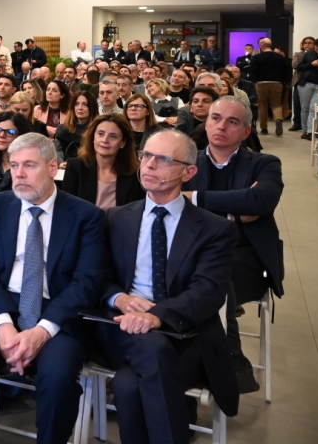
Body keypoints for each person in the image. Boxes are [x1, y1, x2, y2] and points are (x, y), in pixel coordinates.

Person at [0, 133, 106, 444]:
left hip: (59, 308)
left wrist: (42, 332)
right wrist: (4, 325)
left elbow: (87, 282)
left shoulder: (86, 215)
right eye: (14, 164)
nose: (18, 174)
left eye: (29, 166)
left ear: (53, 167)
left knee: (59, 378)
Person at [97, 128, 239, 444]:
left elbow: (208, 291)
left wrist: (156, 315)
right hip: (121, 327)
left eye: (163, 159)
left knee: (128, 384)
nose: (148, 165)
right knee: (152, 348)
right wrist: (119, 298)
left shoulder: (215, 230)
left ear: (189, 172)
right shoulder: (116, 218)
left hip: (184, 332)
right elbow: (98, 277)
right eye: (146, 155)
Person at [184, 96, 284, 394]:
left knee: (212, 278)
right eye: (216, 118)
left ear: (246, 130)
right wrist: (235, 211)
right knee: (197, 280)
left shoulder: (266, 163)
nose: (221, 126)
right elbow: (172, 203)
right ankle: (222, 359)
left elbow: (260, 200)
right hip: (192, 256)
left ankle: (224, 358)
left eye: (232, 121)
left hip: (247, 261)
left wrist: (197, 199)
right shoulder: (189, 162)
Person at [60, 114, 143, 210]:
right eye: (100, 134)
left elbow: (137, 211)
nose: (105, 140)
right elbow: (67, 208)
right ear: (93, 137)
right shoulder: (75, 167)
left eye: (113, 136)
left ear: (123, 142)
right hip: (85, 224)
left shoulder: (134, 172)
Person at [54, 89, 94, 163]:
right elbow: (57, 150)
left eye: (85, 104)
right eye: (76, 104)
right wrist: (61, 163)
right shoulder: (62, 128)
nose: (80, 108)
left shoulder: (97, 130)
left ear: (92, 108)